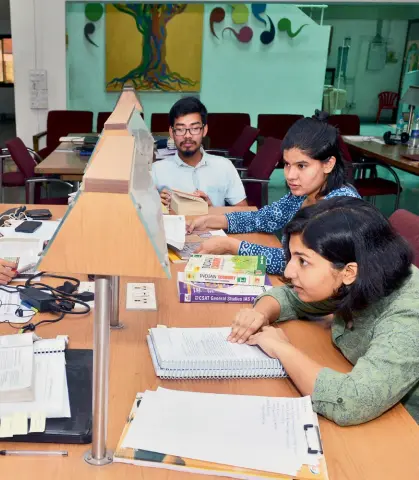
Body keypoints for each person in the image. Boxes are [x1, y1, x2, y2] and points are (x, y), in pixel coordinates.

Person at [228, 197, 419, 426]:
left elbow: (351, 401)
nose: (288, 272)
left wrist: (282, 349)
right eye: (292, 257)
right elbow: (292, 296)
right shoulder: (362, 273)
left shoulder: (408, 315)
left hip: (405, 425)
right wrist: (259, 314)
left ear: (349, 272)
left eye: (303, 262)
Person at [187, 112, 360, 274]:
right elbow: (264, 218)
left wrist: (231, 246)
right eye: (287, 164)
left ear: (328, 164)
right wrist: (214, 220)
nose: (290, 176)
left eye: (302, 166)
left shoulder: (340, 209)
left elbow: (296, 263)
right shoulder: (304, 193)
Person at [152, 97, 247, 208]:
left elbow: (243, 211)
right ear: (171, 133)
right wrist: (156, 206)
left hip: (213, 225)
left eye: (195, 128)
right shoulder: (156, 171)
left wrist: (211, 210)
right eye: (180, 129)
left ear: (204, 130)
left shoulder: (224, 166)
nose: (187, 135)